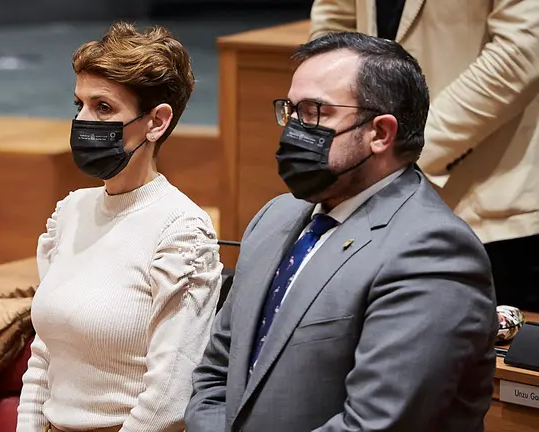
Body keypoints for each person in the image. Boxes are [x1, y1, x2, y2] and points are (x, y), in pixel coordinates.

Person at [185, 32, 498, 431]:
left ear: (381, 133)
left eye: (316, 112)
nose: (294, 129)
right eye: (291, 111)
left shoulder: (432, 251)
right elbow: (215, 373)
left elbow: (375, 423)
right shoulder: (275, 217)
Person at [16, 22, 223, 432]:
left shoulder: (182, 230)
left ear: (156, 122)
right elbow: (45, 356)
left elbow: (170, 395)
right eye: (79, 105)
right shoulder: (71, 212)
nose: (83, 121)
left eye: (104, 108)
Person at [309, 0, 539, 311]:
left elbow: (522, 49)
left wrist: (404, 149)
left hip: (488, 197)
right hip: (369, 185)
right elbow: (335, 19)